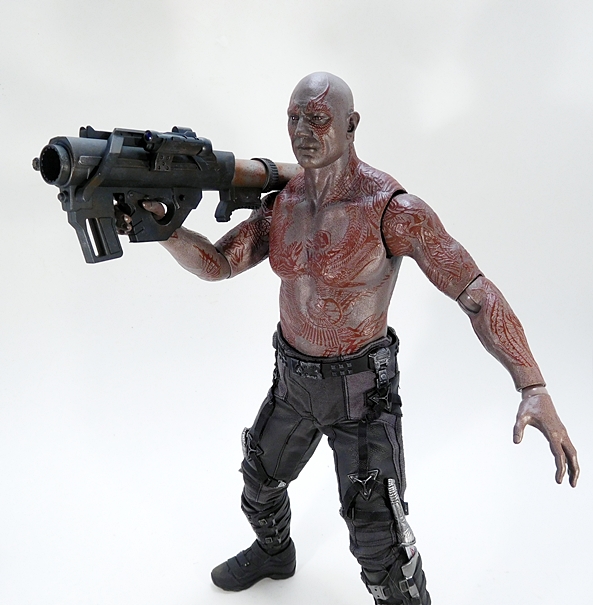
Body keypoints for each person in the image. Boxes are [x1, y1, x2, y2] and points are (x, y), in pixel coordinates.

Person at [136, 72, 579, 604]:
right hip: (292, 383)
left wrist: (532, 385)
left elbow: (476, 292)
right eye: (294, 118)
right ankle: (275, 552)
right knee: (259, 481)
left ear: (352, 124)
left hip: (361, 395)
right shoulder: (282, 203)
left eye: (318, 119)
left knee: (379, 541)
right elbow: (218, 264)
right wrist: (164, 229)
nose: (303, 131)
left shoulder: (393, 210)